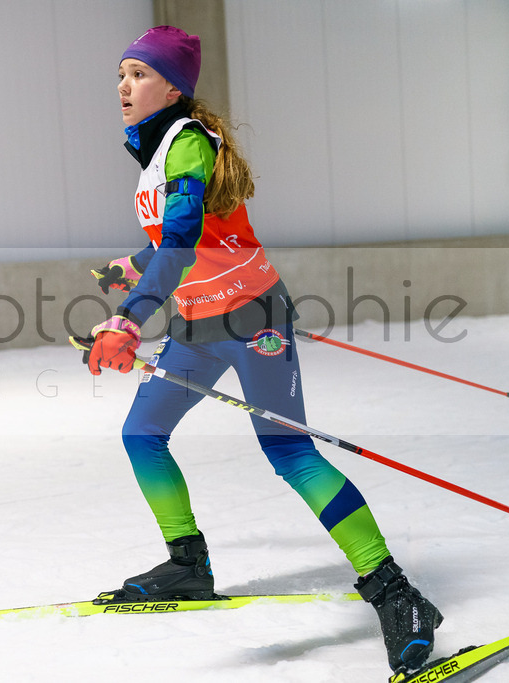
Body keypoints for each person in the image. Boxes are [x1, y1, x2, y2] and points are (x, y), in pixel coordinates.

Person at [79, 25, 442, 675]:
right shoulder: (160, 150)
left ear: (172, 86)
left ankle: (396, 592)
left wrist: (128, 318)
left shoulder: (187, 143)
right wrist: (131, 266)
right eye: (120, 75)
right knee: (143, 431)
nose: (123, 87)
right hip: (197, 324)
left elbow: (185, 243)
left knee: (290, 452)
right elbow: (182, 236)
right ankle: (188, 562)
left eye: (137, 74)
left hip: (252, 321)